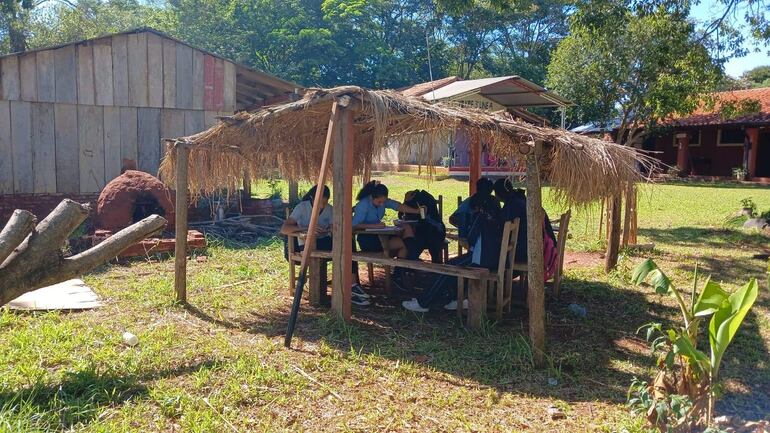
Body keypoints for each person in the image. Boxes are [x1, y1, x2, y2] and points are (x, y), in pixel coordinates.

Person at [402, 191, 503, 312]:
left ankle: (423, 302)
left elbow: (470, 239)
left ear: (478, 208)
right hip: (494, 258)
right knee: (453, 264)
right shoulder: (500, 216)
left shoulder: (481, 218)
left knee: (448, 269)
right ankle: (454, 299)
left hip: (481, 259)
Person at [281, 185, 370, 306]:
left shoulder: (330, 209)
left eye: (325, 202)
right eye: (320, 202)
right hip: (305, 244)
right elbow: (285, 229)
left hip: (323, 241)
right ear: (313, 198)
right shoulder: (302, 208)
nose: (322, 206)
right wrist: (307, 228)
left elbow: (334, 226)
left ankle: (352, 284)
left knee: (348, 244)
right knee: (324, 246)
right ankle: (343, 288)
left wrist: (332, 228)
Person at [353, 181, 420, 288]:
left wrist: (416, 211)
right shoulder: (363, 205)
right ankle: (403, 271)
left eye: (383, 202)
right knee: (403, 244)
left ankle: (399, 275)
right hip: (367, 239)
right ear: (372, 197)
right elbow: (354, 225)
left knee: (404, 244)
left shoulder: (382, 201)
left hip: (380, 235)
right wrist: (375, 226)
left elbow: (397, 206)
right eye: (379, 202)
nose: (381, 204)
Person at [399, 189, 446, 263]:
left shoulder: (424, 200)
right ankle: (433, 263)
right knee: (417, 237)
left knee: (421, 238)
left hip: (433, 231)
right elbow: (400, 214)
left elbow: (424, 218)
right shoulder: (413, 198)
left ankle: (412, 262)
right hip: (428, 231)